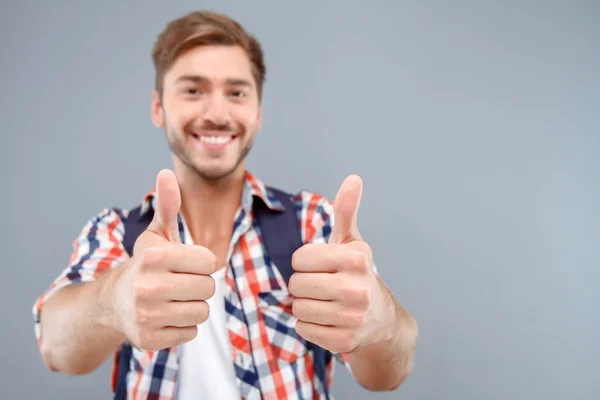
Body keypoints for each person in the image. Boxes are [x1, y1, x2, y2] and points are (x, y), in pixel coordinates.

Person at [32, 10, 418, 400]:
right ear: (158, 107)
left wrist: (380, 323)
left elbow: (389, 373)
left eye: (236, 92)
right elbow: (55, 345)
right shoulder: (116, 233)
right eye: (193, 90)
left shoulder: (315, 226)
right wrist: (112, 302)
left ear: (257, 113)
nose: (217, 114)